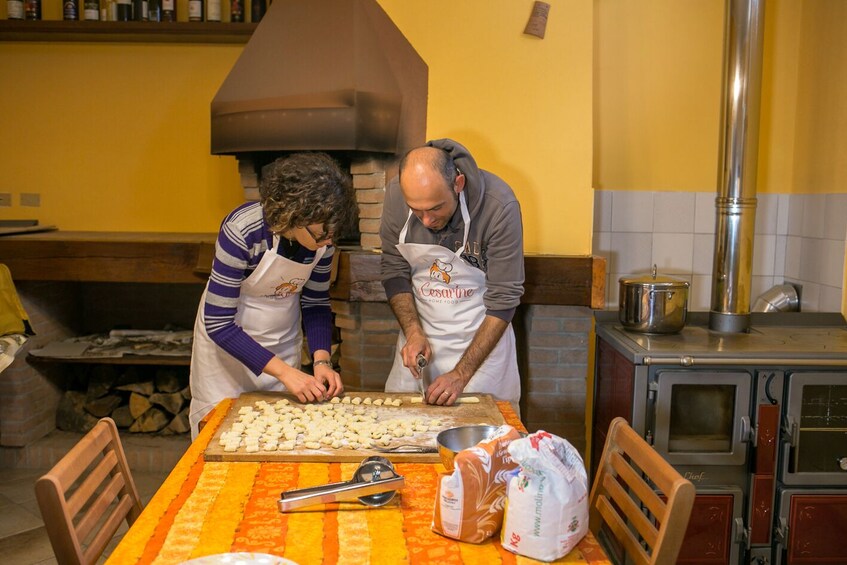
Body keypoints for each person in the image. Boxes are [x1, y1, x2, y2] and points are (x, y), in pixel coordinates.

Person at [189, 152, 356, 439]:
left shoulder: (323, 240)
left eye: (332, 236)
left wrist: (321, 360)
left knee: (276, 436)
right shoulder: (243, 231)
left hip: (279, 340)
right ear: (294, 214)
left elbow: (315, 302)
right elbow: (219, 322)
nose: (327, 242)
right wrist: (286, 373)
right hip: (225, 353)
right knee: (219, 438)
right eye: (321, 235)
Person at [380, 138, 525, 411]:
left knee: (485, 443)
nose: (426, 221)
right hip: (421, 336)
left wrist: (460, 375)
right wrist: (413, 332)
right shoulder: (396, 196)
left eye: (436, 208)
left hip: (481, 344)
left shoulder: (499, 206)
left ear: (458, 184)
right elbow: (394, 270)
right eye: (416, 210)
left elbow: (504, 300)